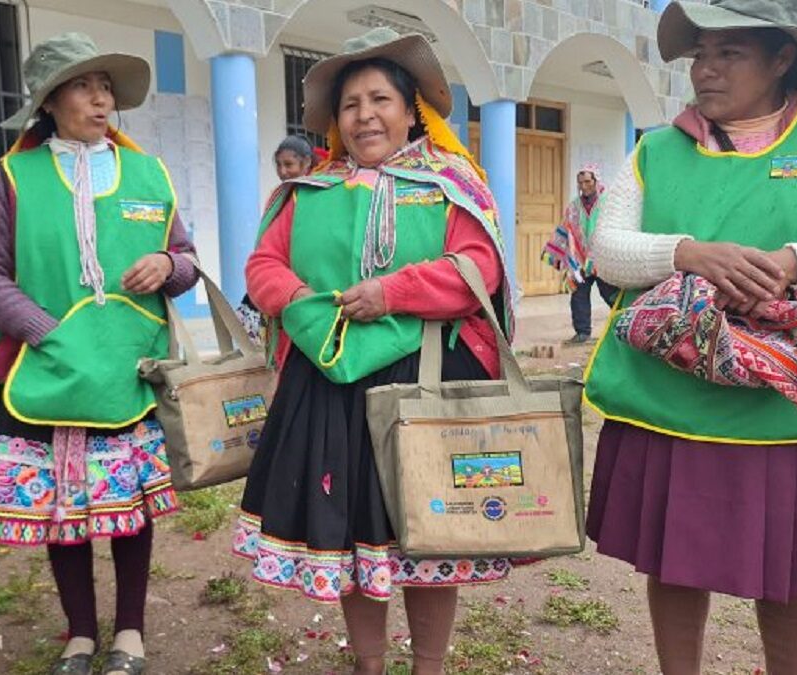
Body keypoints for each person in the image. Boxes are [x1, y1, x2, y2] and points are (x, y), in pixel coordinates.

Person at [584, 0, 797, 672]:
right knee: (676, 559)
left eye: (729, 53)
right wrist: (687, 252)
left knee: (793, 569)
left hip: (796, 391)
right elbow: (606, 250)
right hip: (673, 386)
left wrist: (793, 263)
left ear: (782, 58)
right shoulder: (657, 149)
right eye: (699, 56)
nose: (706, 70)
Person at [232, 28, 515, 675]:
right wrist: (310, 309)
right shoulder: (310, 191)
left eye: (380, 98)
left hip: (428, 378)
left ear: (413, 108)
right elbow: (263, 266)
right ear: (335, 120)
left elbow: (478, 270)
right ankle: (369, 663)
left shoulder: (451, 184)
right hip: (332, 388)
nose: (365, 114)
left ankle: (430, 665)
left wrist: (391, 292)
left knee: (426, 530)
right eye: (351, 103)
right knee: (356, 534)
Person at [0, 32, 198, 675]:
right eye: (84, 85)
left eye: (105, 85)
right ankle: (80, 634)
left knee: (129, 509)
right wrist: (45, 331)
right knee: (65, 509)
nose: (100, 97)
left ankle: (129, 634)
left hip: (130, 371)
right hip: (47, 366)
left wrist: (167, 263)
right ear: (49, 101)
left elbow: (191, 265)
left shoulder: (147, 172)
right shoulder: (16, 178)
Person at [237, 135, 320, 345]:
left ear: (307, 162)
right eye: (279, 165)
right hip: (280, 284)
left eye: (289, 164)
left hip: (306, 290)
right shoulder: (281, 195)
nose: (283, 171)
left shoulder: (319, 194)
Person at [541, 165, 619, 343]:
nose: (584, 186)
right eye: (580, 182)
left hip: (602, 257)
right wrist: (557, 250)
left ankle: (623, 325)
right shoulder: (574, 207)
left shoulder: (609, 202)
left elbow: (617, 226)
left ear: (596, 181)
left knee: (610, 293)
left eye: (588, 181)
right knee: (578, 294)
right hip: (580, 259)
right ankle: (582, 332)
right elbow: (566, 228)